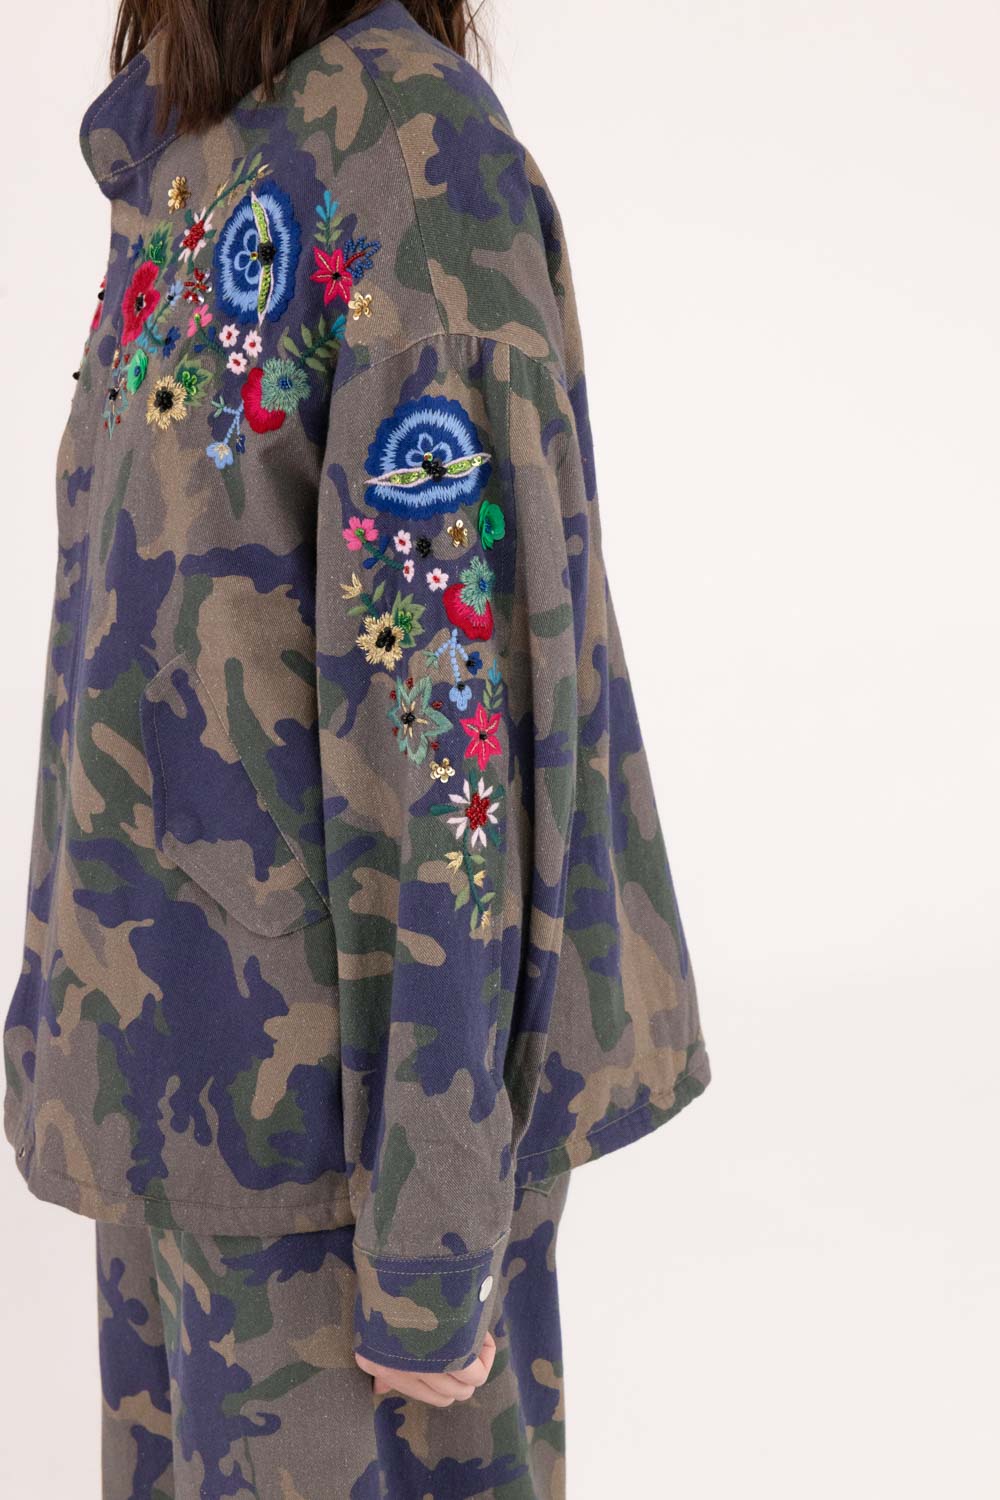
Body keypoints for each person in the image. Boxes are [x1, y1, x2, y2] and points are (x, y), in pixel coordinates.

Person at [2, 1, 711, 1494]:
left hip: (349, 1178)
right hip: (185, 1130)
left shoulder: (411, 168)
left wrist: (436, 1221)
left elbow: (449, 732)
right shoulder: (206, 152)